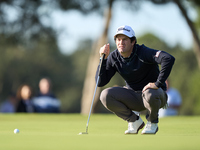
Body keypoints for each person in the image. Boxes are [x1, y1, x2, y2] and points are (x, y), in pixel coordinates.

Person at [97, 25, 175, 134]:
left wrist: (157, 83)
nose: (121, 42)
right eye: (118, 39)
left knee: (150, 93)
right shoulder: (114, 57)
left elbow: (168, 58)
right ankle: (134, 121)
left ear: (133, 41)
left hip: (155, 96)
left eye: (125, 39)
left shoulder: (143, 52)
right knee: (105, 95)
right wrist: (103, 59)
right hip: (134, 97)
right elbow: (100, 82)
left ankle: (152, 123)